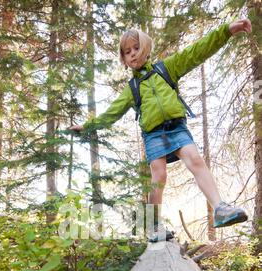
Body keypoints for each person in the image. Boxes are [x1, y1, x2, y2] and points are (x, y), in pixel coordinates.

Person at [69, 18, 252, 242]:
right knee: (159, 175)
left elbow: (196, 51)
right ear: (124, 59)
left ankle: (219, 207)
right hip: (153, 134)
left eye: (136, 48)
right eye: (127, 52)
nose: (133, 54)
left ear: (145, 48)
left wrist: (226, 31)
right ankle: (153, 225)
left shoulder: (167, 68)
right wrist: (88, 127)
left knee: (195, 160)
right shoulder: (132, 88)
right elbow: (111, 113)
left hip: (177, 127)